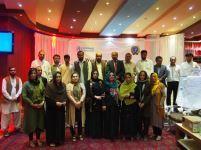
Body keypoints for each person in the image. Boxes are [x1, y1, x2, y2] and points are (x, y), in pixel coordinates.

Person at [22, 68, 45, 148]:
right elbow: (24, 96)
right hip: (30, 108)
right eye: (31, 73)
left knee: (39, 124)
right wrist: (32, 104)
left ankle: (38, 139)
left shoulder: (40, 82)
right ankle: (31, 140)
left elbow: (44, 93)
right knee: (31, 124)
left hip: (40, 107)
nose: (33, 75)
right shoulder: (26, 84)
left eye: (35, 73)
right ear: (29, 75)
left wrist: (42, 102)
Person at [45, 71, 67, 147]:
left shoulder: (63, 85)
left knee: (60, 124)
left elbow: (65, 96)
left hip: (60, 109)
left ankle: (59, 139)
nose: (58, 78)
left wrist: (64, 102)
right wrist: (55, 103)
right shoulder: (49, 85)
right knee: (52, 126)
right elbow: (47, 98)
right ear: (54, 77)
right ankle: (52, 140)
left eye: (59, 77)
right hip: (52, 110)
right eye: (56, 77)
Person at [1, 67, 22, 137]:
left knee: (17, 114)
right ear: (9, 71)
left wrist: (16, 96)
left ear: (16, 71)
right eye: (11, 70)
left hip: (16, 99)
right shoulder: (5, 79)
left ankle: (17, 127)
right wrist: (10, 98)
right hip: (7, 100)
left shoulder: (19, 79)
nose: (13, 71)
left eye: (14, 70)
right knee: (6, 115)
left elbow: (20, 89)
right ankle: (5, 130)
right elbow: (3, 90)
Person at [85, 70, 105, 138]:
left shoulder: (101, 81)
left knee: (99, 118)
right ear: (91, 74)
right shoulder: (88, 82)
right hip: (91, 103)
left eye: (96, 73)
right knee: (92, 119)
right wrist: (95, 97)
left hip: (99, 102)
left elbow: (103, 91)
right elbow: (88, 92)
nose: (95, 75)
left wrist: (101, 97)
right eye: (94, 73)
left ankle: (99, 133)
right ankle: (92, 133)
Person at [67, 72, 86, 142]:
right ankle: (73, 135)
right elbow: (69, 95)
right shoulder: (69, 85)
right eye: (73, 76)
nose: (75, 78)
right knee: (72, 120)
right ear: (71, 78)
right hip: (72, 105)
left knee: (80, 120)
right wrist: (75, 103)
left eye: (76, 76)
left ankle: (80, 134)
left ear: (78, 77)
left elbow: (84, 93)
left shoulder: (81, 84)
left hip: (80, 105)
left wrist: (80, 101)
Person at [119, 72, 137, 140]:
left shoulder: (134, 85)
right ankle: (124, 134)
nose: (128, 79)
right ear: (124, 78)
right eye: (126, 77)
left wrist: (128, 96)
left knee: (131, 120)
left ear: (131, 78)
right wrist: (128, 95)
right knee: (124, 120)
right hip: (125, 105)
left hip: (133, 105)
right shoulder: (122, 85)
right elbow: (120, 95)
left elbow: (136, 95)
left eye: (129, 77)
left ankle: (132, 134)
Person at [135, 71, 151, 141]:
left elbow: (149, 95)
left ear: (145, 76)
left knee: (146, 122)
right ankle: (139, 133)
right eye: (140, 75)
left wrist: (144, 103)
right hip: (138, 105)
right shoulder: (136, 84)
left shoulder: (148, 84)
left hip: (146, 105)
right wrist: (138, 102)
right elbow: (135, 95)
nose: (142, 77)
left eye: (143, 75)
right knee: (138, 121)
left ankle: (145, 134)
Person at [150, 73, 166, 141]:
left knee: (159, 120)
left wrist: (161, 104)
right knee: (153, 120)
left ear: (157, 77)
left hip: (159, 105)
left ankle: (159, 134)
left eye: (154, 76)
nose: (153, 78)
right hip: (152, 105)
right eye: (152, 77)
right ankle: (155, 133)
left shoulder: (160, 84)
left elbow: (164, 95)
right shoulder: (151, 85)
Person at [104, 72, 119, 140]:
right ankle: (109, 135)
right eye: (110, 75)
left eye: (113, 75)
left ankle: (114, 134)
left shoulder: (116, 83)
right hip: (108, 104)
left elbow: (118, 93)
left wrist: (115, 91)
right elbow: (104, 94)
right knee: (108, 119)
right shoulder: (105, 84)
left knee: (114, 119)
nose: (112, 76)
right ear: (108, 76)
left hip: (115, 104)